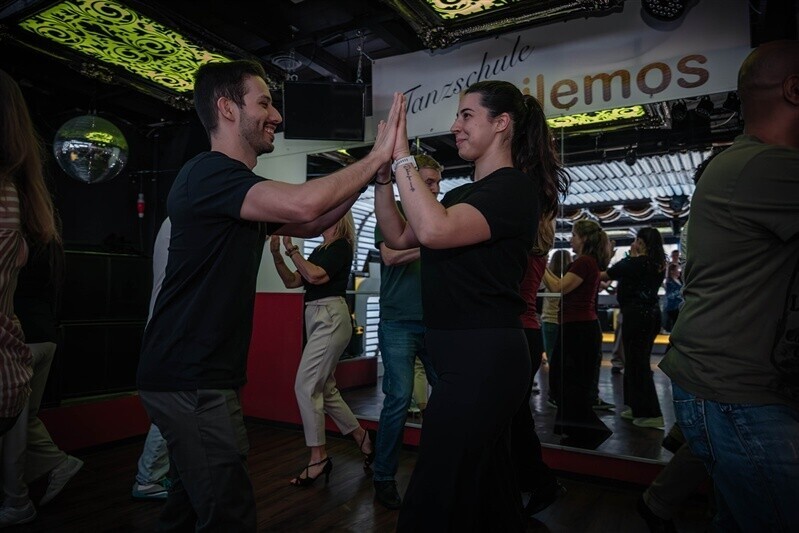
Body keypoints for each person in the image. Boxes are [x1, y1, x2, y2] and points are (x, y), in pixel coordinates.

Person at [136, 60, 404, 530]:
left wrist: (372, 173)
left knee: (187, 509)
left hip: (195, 375)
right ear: (227, 108)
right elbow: (304, 203)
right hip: (190, 376)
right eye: (264, 103)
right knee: (230, 515)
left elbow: (315, 220)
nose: (276, 116)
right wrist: (377, 155)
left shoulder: (235, 192)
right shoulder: (209, 173)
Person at [376, 80, 568, 531]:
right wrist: (384, 177)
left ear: (501, 123)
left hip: (484, 357)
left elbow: (434, 231)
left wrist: (402, 155)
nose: (455, 126)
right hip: (460, 355)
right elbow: (399, 235)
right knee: (487, 492)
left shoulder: (514, 189)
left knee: (433, 496)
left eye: (466, 115)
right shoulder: (460, 195)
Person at [660, 40, 799, 531]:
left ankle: (657, 503)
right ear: (794, 89)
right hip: (736, 389)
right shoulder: (761, 167)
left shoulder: (748, 165)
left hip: (729, 381)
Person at [270, 214, 374, 486]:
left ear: (338, 219)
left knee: (305, 386)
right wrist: (278, 256)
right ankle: (362, 437)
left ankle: (318, 458)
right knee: (325, 389)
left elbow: (315, 276)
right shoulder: (320, 250)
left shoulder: (341, 245)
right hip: (317, 316)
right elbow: (293, 281)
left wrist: (292, 250)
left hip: (330, 316)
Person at [0, 69, 61, 526]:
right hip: (26, 345)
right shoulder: (25, 203)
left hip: (22, 345)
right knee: (20, 434)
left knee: (20, 437)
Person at [371, 154, 441, 510]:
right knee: (398, 399)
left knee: (447, 398)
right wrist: (433, 241)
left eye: (437, 183)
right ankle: (383, 476)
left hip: (435, 323)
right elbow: (390, 256)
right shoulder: (392, 215)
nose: (435, 189)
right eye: (428, 182)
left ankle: (443, 472)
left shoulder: (438, 217)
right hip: (397, 321)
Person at [543, 220, 612, 447]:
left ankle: (587, 430)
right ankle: (576, 429)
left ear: (583, 239)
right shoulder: (587, 262)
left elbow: (558, 288)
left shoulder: (584, 262)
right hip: (579, 327)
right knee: (568, 381)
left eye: (573, 235)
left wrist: (540, 264)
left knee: (568, 382)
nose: (570, 239)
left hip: (578, 329)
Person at [514, 217, 563, 517]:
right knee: (516, 415)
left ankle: (539, 480)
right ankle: (530, 479)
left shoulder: (519, 252)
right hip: (528, 332)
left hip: (518, 332)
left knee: (515, 417)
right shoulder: (538, 251)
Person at [602, 227, 667, 429]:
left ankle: (651, 413)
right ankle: (635, 406)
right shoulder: (658, 264)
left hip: (636, 316)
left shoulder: (634, 263)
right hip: (651, 315)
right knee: (635, 360)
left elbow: (605, 274)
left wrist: (620, 255)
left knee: (637, 362)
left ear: (640, 242)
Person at [132, 217, 171, 501]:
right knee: (171, 408)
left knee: (176, 407)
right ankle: (148, 479)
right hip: (169, 330)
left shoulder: (178, 219)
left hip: (167, 329)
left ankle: (156, 476)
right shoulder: (182, 220)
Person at [542, 249, 571, 407]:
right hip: (561, 321)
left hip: (550, 321)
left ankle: (554, 394)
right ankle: (559, 392)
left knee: (553, 360)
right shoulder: (568, 280)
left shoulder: (551, 279)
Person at [662, 263, 682, 332]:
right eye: (677, 270)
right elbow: (670, 295)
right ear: (672, 271)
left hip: (679, 306)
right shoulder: (669, 281)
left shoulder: (679, 280)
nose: (679, 271)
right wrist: (679, 294)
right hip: (672, 306)